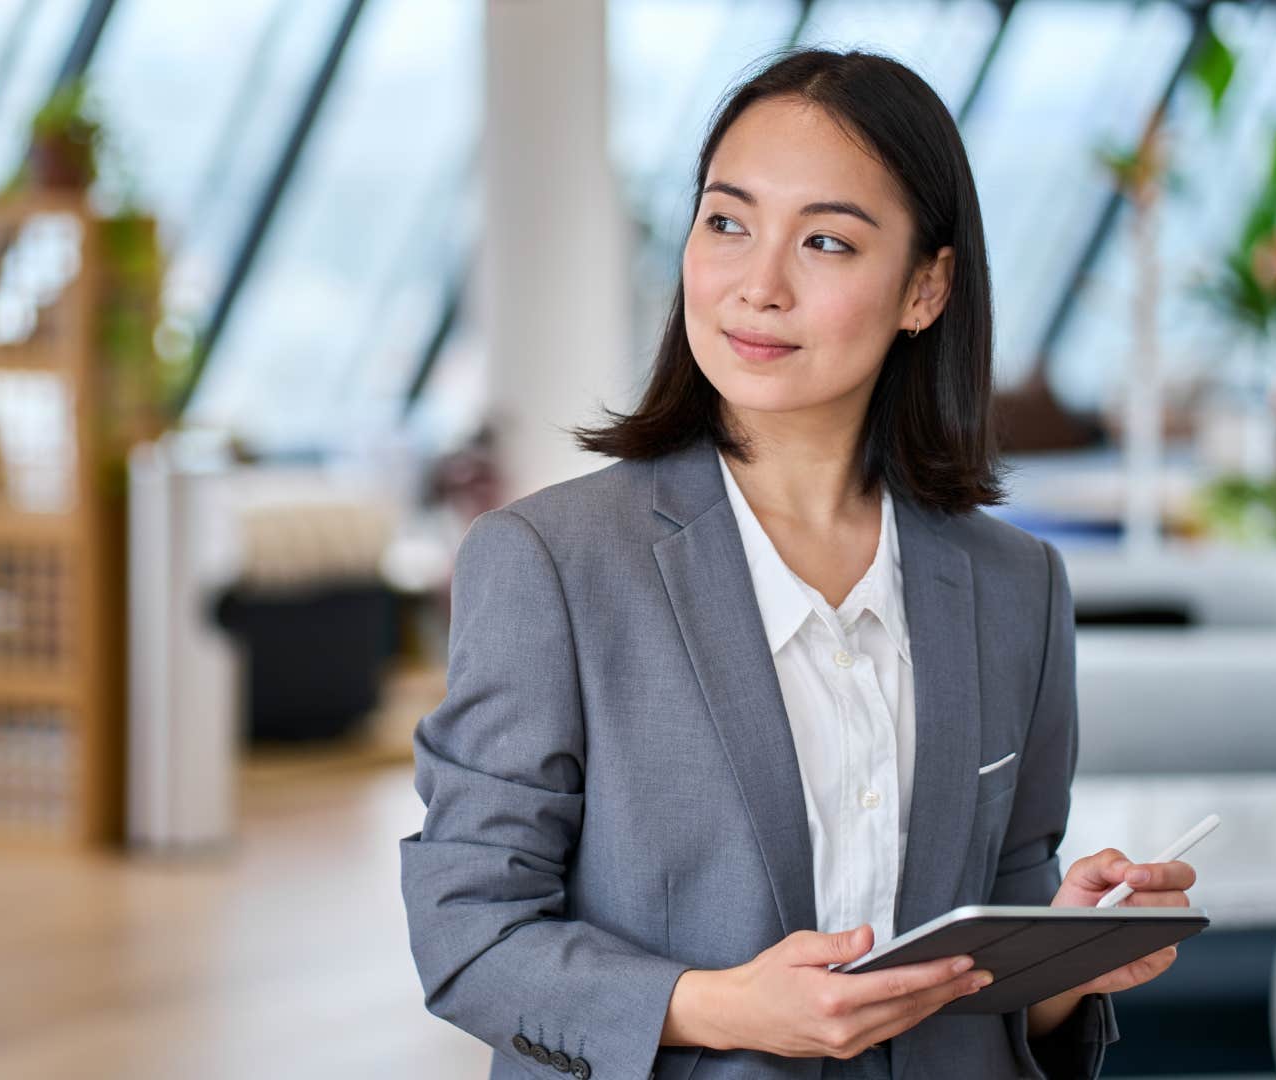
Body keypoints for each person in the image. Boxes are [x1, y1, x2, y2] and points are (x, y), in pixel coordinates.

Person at [399, 48, 1195, 1080]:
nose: (756, 285)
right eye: (726, 222)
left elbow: (996, 968)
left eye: (825, 241)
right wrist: (723, 1008)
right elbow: (470, 937)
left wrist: (1065, 956)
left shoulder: (1016, 588)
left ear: (926, 287)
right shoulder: (551, 565)